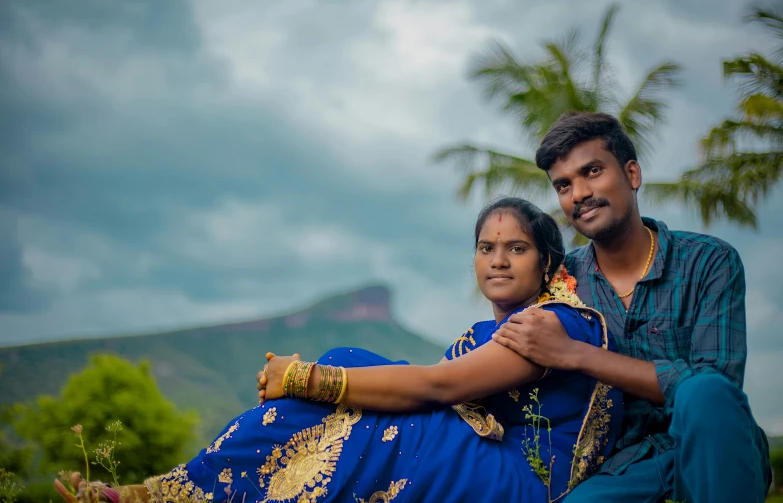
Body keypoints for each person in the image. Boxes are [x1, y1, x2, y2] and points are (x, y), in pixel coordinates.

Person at [55, 198, 622, 503]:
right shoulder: (483, 335)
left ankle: (159, 498)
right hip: (486, 458)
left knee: (358, 385)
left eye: (516, 248)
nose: (497, 259)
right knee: (353, 362)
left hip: (524, 482)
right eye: (486, 247)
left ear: (547, 264)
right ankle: (164, 494)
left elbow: (437, 388)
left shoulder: (554, 324)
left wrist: (306, 378)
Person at [491, 112, 772, 502]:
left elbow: (714, 389)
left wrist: (576, 353)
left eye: (592, 171)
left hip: (710, 447)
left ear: (632, 174)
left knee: (705, 392)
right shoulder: (559, 280)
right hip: (620, 466)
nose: (579, 194)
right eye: (563, 185)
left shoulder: (709, 261)